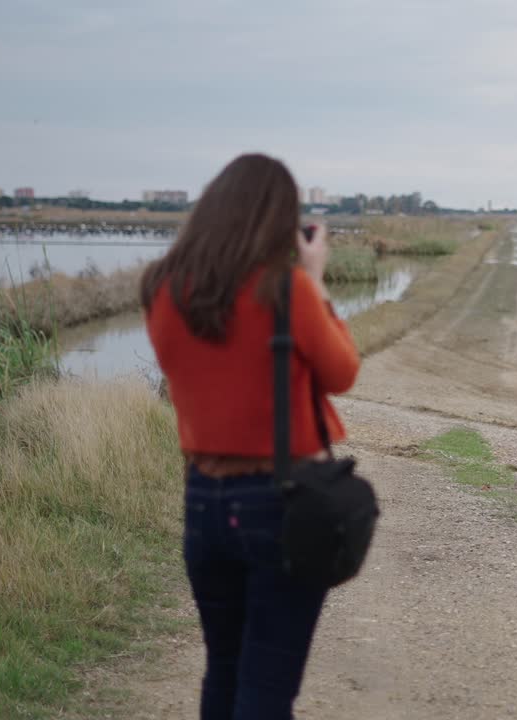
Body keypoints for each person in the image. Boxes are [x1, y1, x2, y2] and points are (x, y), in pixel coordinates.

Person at [142, 153, 360, 719]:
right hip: (280, 502)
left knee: (225, 671)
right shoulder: (286, 288)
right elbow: (342, 373)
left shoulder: (163, 288)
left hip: (203, 502)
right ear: (279, 221)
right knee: (266, 688)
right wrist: (315, 280)